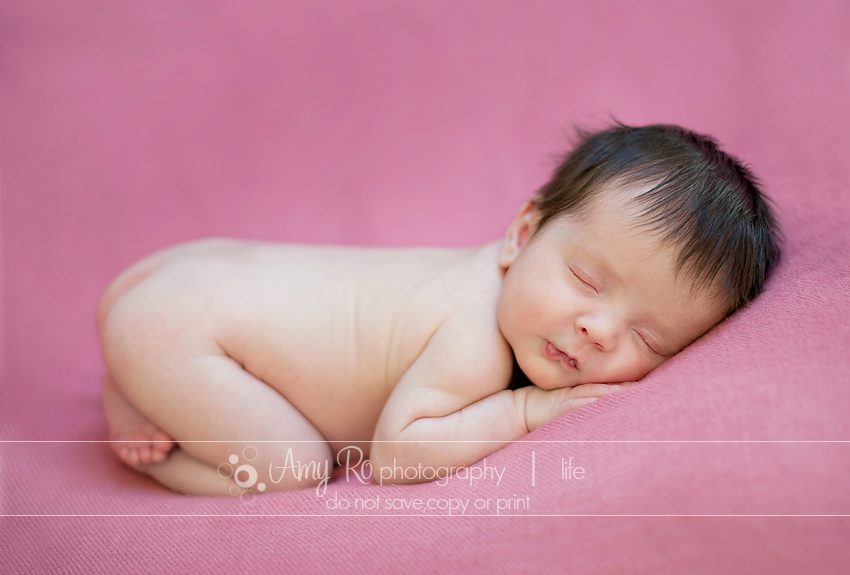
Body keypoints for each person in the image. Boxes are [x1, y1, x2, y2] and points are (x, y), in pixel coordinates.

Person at [98, 121, 782, 495]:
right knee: (295, 471)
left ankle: (148, 371)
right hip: (182, 324)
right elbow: (397, 454)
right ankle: (150, 427)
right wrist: (522, 410)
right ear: (521, 233)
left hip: (185, 276)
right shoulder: (475, 330)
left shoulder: (503, 284)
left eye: (650, 338)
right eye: (584, 277)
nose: (597, 330)